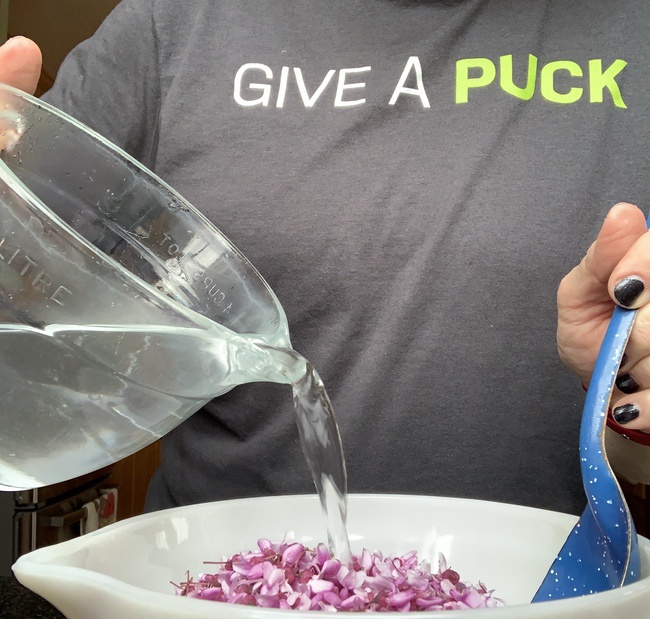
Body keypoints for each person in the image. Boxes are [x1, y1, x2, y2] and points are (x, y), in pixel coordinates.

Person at [3, 1, 650, 526]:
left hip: (559, 600)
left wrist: (632, 387)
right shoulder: (172, 23)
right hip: (218, 601)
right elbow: (24, 287)